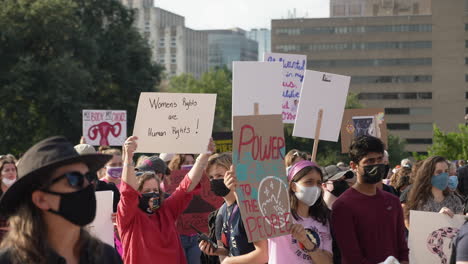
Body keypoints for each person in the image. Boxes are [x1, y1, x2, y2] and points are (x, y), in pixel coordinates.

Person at [0, 136, 121, 263]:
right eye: (75, 179)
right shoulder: (10, 261)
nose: (87, 185)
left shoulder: (106, 257)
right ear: (41, 199)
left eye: (88, 176)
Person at [117, 136, 214, 264]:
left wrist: (203, 157)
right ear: (137, 194)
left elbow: (185, 187)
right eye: (147, 191)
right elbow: (127, 192)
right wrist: (128, 158)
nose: (153, 194)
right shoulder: (129, 217)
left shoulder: (167, 209)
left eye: (155, 190)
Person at [331, 135, 409, 264]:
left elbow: (402, 247)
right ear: (354, 166)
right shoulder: (343, 205)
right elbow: (351, 256)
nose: (376, 165)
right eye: (369, 161)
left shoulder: (393, 201)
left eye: (379, 160)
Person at [198, 153, 268, 264]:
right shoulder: (222, 211)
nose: (214, 181)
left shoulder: (248, 206)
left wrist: (229, 262)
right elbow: (235, 248)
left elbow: (263, 255)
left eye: (219, 176)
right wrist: (216, 250)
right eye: (211, 177)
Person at [268, 160, 333, 264]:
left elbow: (328, 261)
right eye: (309, 182)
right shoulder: (277, 215)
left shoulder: (322, 219)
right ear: (293, 186)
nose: (315, 187)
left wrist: (306, 241)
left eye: (318, 183)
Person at [404, 156, 464, 226]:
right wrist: (437, 219)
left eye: (446, 171)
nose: (444, 175)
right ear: (428, 175)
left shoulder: (455, 201)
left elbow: (460, 228)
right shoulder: (419, 201)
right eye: (439, 172)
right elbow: (411, 226)